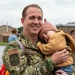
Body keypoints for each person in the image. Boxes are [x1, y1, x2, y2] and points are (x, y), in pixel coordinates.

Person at [2, 4, 69, 75]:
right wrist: (52, 61)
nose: (36, 22)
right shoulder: (13, 48)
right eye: (32, 18)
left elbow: (70, 64)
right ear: (23, 21)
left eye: (39, 18)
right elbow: (20, 73)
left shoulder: (48, 42)